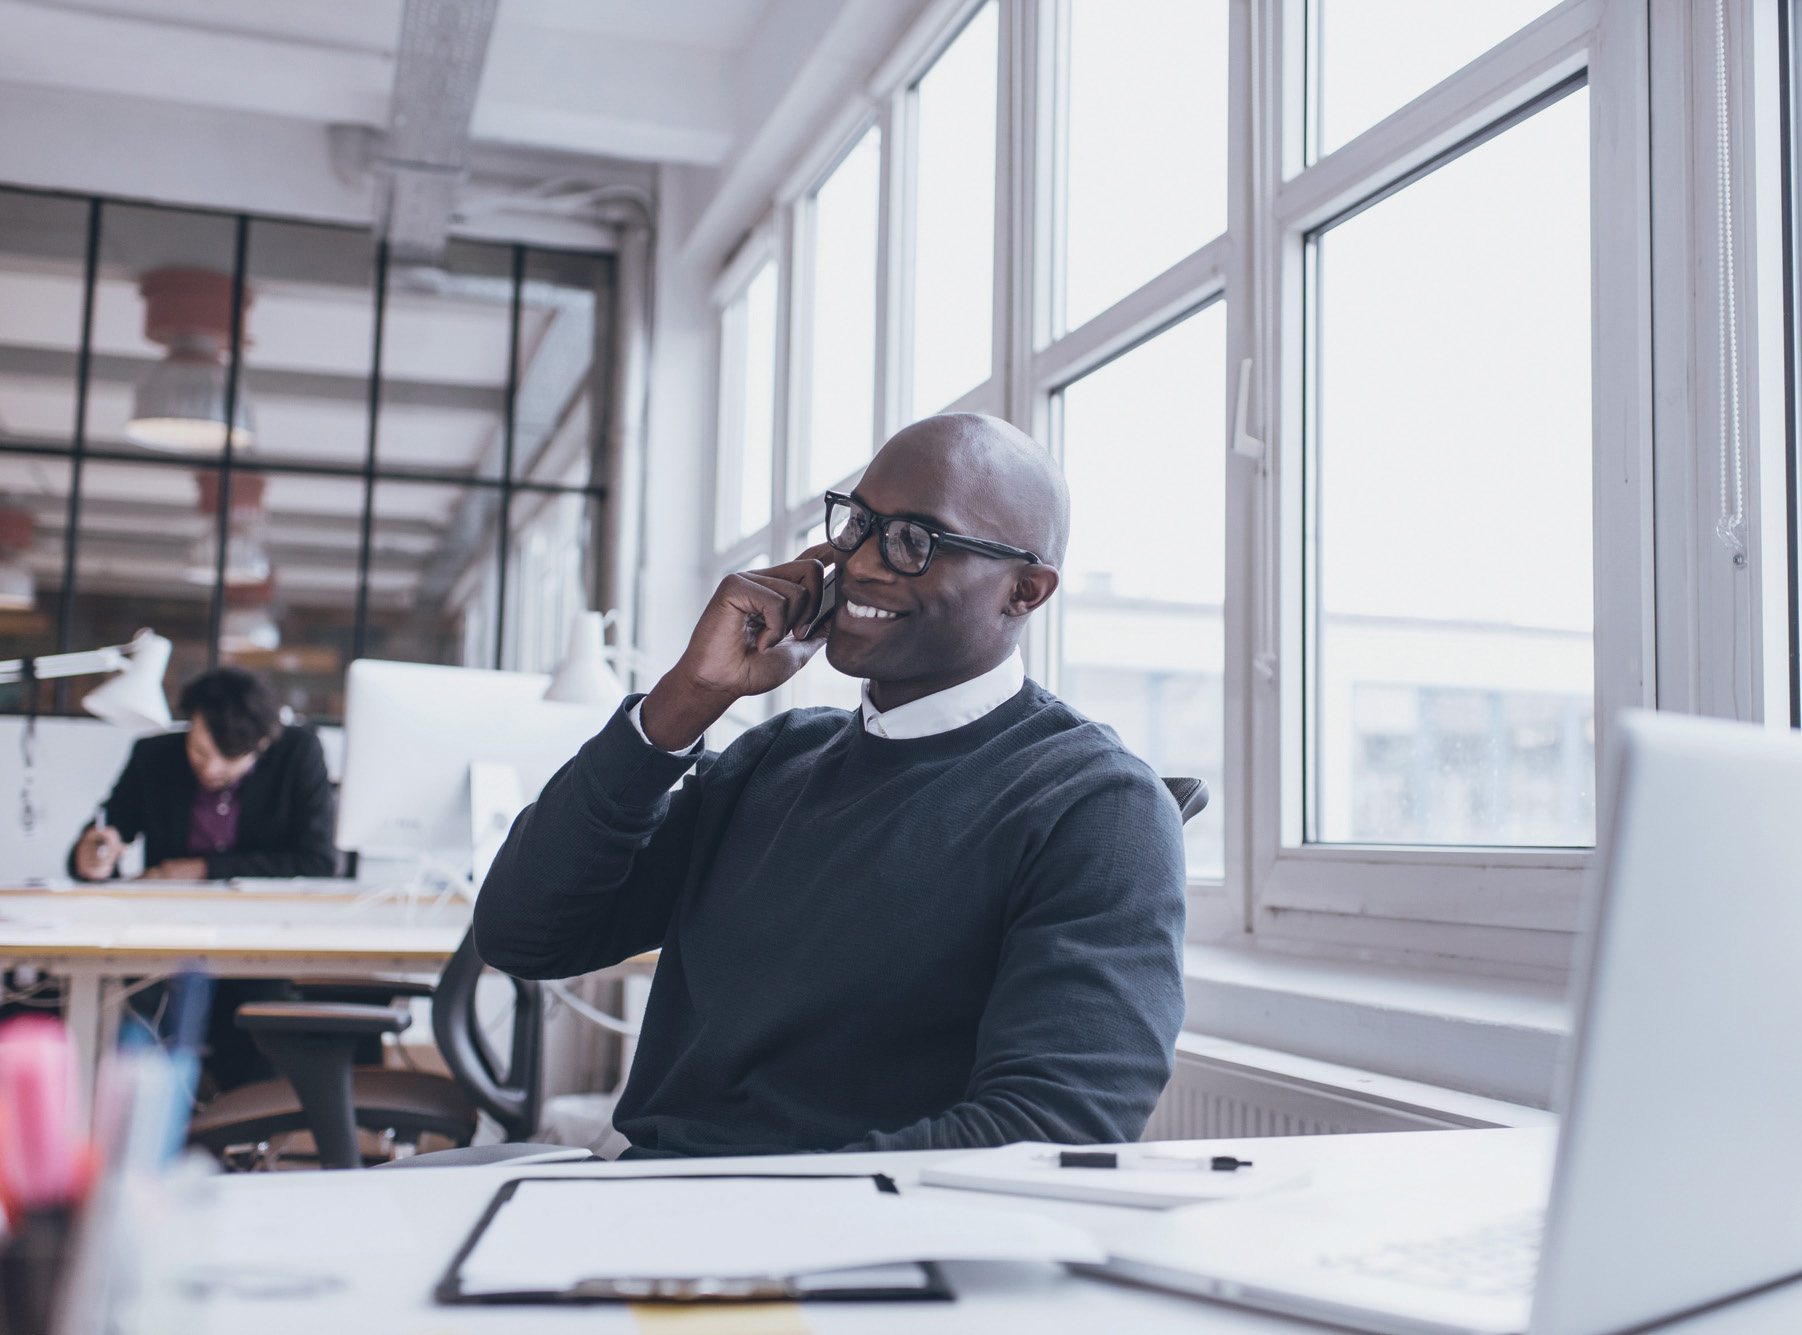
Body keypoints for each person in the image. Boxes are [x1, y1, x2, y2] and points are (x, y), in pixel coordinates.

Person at [477, 412, 1186, 1157]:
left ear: (1025, 591)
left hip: (837, 1251)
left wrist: (733, 1212)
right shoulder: (777, 758)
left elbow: (1048, 1131)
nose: (864, 563)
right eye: (858, 523)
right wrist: (682, 701)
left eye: (916, 540)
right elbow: (522, 932)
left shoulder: (1097, 808)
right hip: (653, 1214)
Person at [70, 666, 336, 883]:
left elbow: (318, 862)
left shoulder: (297, 753)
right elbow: (108, 830)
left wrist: (201, 869)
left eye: (230, 757)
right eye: (199, 750)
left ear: (262, 744)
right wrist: (92, 856)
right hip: (167, 921)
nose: (210, 769)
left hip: (266, 918)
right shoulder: (153, 756)